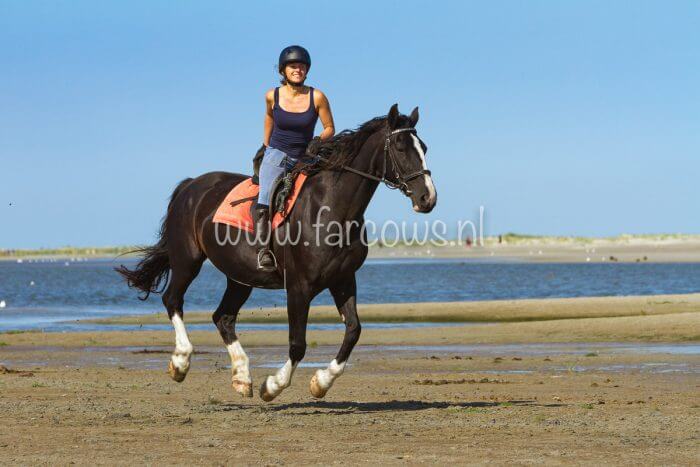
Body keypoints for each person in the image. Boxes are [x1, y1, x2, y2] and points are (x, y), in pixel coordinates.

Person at [255, 45, 335, 271]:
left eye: (301, 66)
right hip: (277, 154)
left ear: (307, 70)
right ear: (283, 71)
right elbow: (269, 118)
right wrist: (265, 145)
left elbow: (330, 127)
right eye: (292, 66)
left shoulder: (317, 96)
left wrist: (318, 140)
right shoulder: (272, 95)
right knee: (265, 197)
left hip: (306, 156)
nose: (297, 69)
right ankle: (264, 250)